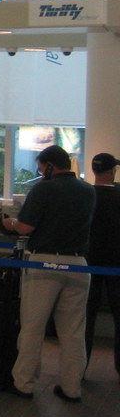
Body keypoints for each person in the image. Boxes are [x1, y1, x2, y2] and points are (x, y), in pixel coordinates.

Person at [2, 144, 95, 401]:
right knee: (73, 331)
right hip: (79, 265)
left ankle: (24, 384)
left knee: (33, 326)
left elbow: (25, 227)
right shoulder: (88, 191)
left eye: (42, 168)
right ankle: (71, 387)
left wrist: (9, 222)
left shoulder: (44, 188)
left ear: (50, 166)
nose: (41, 173)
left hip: (44, 263)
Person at [85, 152, 120, 379]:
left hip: (88, 262)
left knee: (85, 317)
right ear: (112, 171)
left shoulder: (86, 195)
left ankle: (80, 366)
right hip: (117, 263)